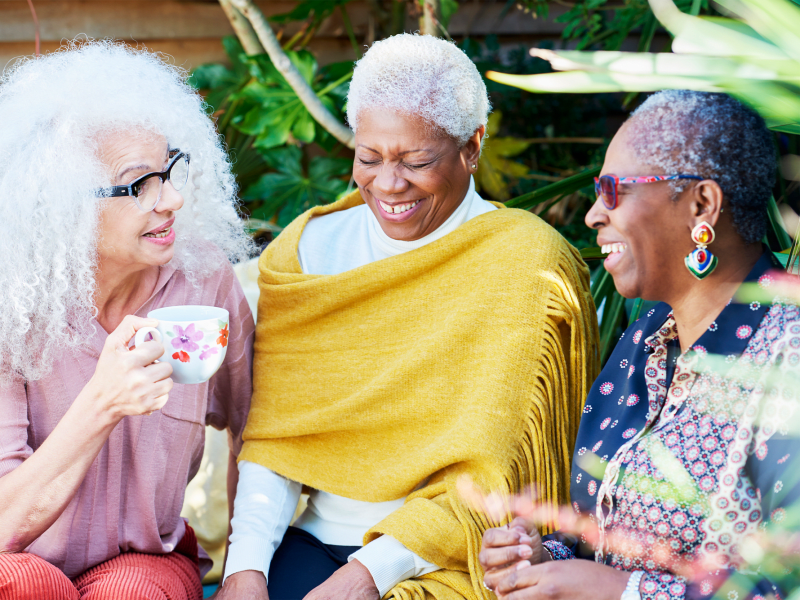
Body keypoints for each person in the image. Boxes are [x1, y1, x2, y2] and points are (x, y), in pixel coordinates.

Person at [217, 33, 599, 600]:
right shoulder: (307, 252)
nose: (389, 185)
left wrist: (368, 574)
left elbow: (495, 473)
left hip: (452, 556)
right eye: (368, 158)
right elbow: (276, 440)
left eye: (417, 162)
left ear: (472, 146)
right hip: (314, 542)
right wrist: (244, 569)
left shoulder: (525, 264)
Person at [479, 91, 800, 600]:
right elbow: (605, 542)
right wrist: (545, 559)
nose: (591, 215)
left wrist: (621, 591)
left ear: (701, 205)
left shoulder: (788, 359)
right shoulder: (648, 334)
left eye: (612, 190)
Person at [0, 42, 255, 600]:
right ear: (62, 201)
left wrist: (244, 570)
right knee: (24, 585)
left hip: (146, 558)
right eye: (140, 184)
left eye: (170, 170)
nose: (171, 201)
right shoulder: (11, 305)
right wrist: (105, 400)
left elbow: (254, 430)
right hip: (16, 557)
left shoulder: (204, 280)